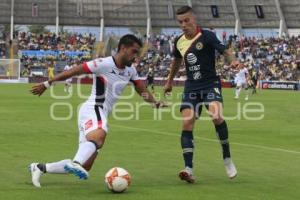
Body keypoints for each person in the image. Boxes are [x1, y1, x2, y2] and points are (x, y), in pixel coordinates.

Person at [29, 34, 165, 188]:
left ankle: (40, 167)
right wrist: (47, 84)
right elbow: (74, 71)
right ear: (123, 48)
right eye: (134, 51)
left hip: (99, 113)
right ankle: (76, 162)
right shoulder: (103, 64)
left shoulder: (130, 71)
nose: (136, 56)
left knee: (87, 165)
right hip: (94, 108)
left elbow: (141, 89)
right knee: (99, 137)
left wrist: (155, 103)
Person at [163, 6, 238, 183]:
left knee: (216, 115)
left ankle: (227, 158)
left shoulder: (207, 36)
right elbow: (176, 61)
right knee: (187, 122)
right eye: (180, 22)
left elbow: (224, 50)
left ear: (194, 19)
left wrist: (233, 60)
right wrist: (169, 82)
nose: (183, 25)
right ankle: (188, 169)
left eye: (186, 20)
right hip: (192, 87)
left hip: (210, 83)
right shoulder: (179, 41)